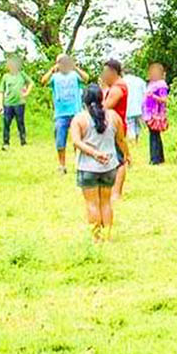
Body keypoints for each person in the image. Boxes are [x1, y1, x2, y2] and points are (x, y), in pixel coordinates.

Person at [69, 84, 131, 242]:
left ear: (84, 100)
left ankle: (96, 238)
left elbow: (76, 142)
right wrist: (127, 155)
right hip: (109, 166)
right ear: (102, 98)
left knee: (92, 203)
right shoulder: (113, 116)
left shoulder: (79, 119)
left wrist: (94, 153)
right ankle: (108, 235)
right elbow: (121, 140)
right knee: (106, 202)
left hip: (87, 167)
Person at [41, 54, 88, 174]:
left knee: (78, 139)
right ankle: (62, 165)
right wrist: (52, 69)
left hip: (76, 112)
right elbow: (43, 81)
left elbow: (86, 78)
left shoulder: (74, 75)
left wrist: (75, 67)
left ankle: (79, 164)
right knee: (60, 140)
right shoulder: (55, 77)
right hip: (61, 114)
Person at [100, 59, 131, 201]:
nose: (103, 75)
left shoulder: (118, 87)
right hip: (111, 127)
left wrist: (104, 90)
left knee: (120, 160)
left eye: (106, 72)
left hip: (115, 127)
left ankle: (116, 192)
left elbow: (106, 106)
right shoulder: (114, 86)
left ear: (113, 72)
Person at [0, 56, 32, 151]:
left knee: (20, 122)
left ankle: (23, 141)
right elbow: (1, 91)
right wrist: (0, 104)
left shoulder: (22, 74)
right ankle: (6, 143)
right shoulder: (5, 77)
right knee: (6, 123)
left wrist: (26, 93)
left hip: (20, 103)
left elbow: (31, 83)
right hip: (8, 103)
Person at [144, 63, 169, 165]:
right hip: (149, 113)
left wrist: (153, 96)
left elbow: (164, 99)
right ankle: (158, 158)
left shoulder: (161, 85)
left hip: (156, 115)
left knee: (154, 136)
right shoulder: (151, 84)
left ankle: (155, 159)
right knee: (154, 136)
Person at [122, 71, 147, 142]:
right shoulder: (140, 80)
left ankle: (133, 143)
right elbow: (145, 94)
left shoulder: (122, 82)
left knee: (130, 127)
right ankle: (137, 141)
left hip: (128, 108)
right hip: (140, 108)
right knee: (139, 126)